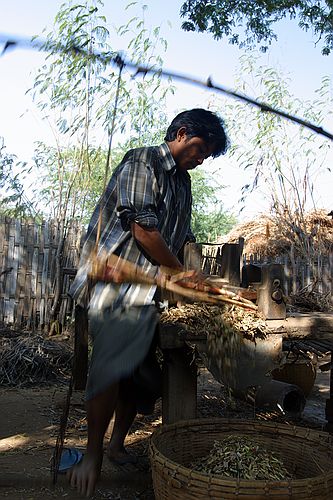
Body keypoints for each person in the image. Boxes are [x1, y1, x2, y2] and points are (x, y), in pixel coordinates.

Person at [67, 108, 229, 496]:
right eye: (201, 148)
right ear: (183, 132)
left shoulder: (183, 185)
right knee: (110, 369)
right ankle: (92, 456)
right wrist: (178, 272)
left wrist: (198, 274)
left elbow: (182, 238)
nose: (202, 158)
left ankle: (117, 444)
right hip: (116, 283)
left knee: (147, 379)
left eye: (207, 154)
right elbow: (144, 231)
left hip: (152, 290)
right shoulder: (143, 162)